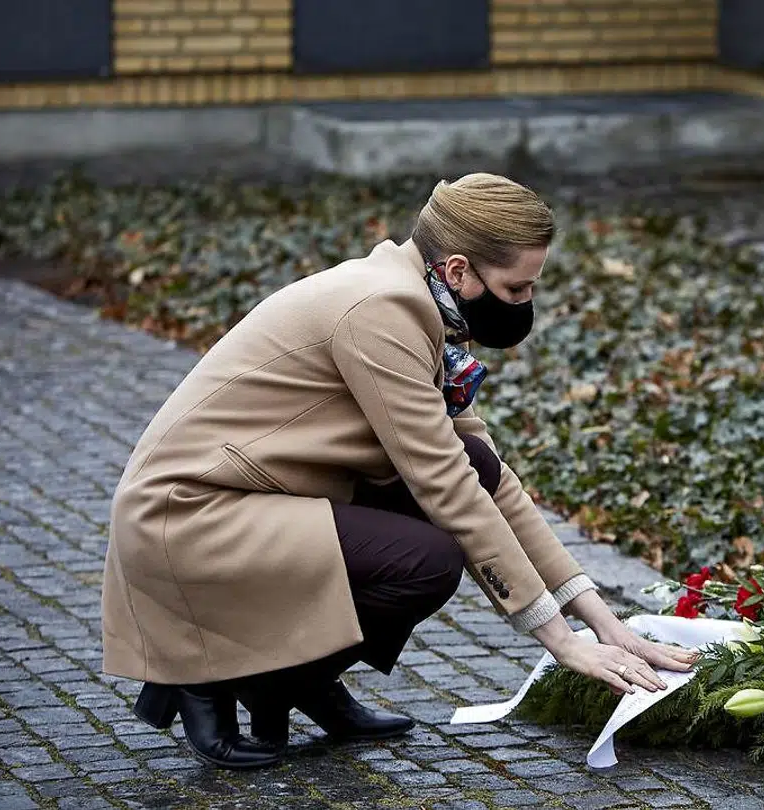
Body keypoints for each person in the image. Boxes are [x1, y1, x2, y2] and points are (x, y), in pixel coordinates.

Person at [100, 172, 699, 769]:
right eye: (517, 289)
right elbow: (441, 482)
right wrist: (560, 642)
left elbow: (485, 477)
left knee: (480, 466)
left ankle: (292, 681)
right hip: (190, 513)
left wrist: (602, 623)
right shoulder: (381, 311)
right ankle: (216, 673)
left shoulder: (420, 303)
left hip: (259, 499)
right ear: (460, 271)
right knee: (425, 561)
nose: (523, 306)